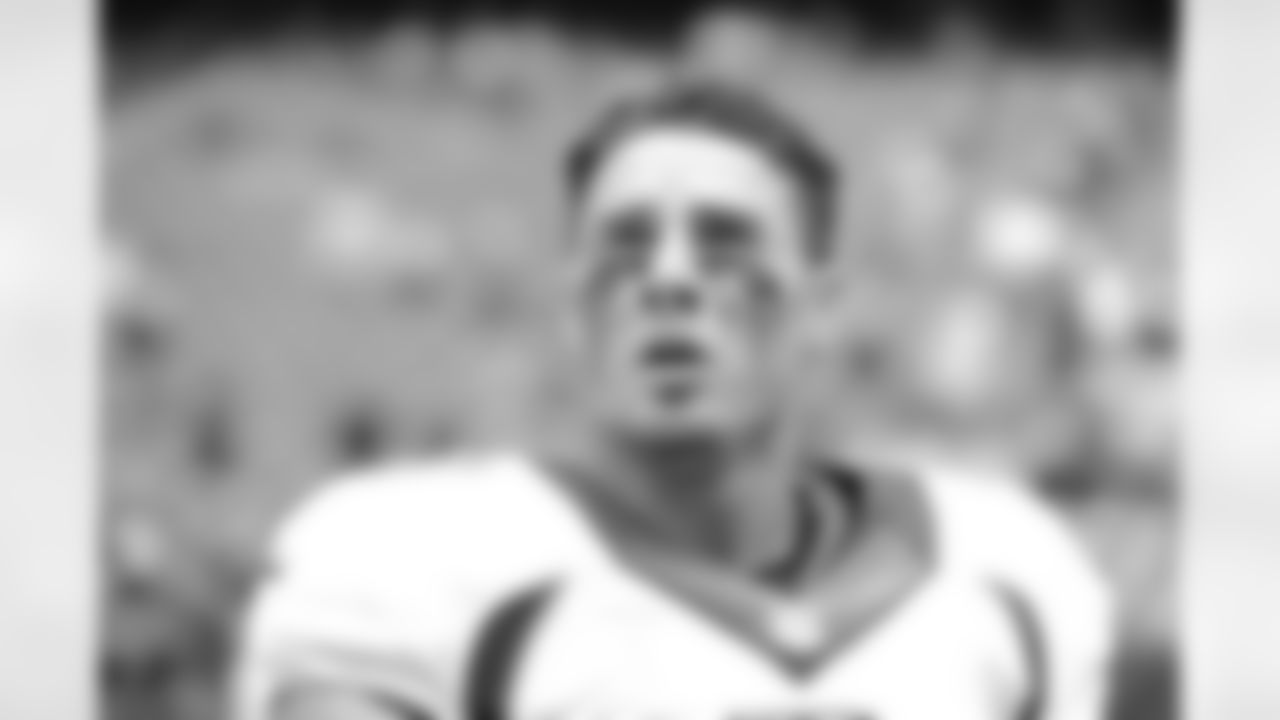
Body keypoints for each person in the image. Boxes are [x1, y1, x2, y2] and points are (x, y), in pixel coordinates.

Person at [233, 81, 1116, 720]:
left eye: (725, 242)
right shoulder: (413, 567)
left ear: (822, 310)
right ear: (574, 312)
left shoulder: (999, 572)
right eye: (625, 244)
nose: (669, 278)